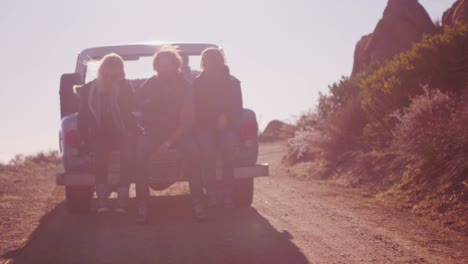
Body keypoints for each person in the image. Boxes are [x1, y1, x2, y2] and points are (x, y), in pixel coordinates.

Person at [134, 46, 206, 223]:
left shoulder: (186, 87)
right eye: (159, 66)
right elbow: (133, 105)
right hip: (153, 133)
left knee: (194, 154)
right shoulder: (149, 84)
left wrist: (168, 143)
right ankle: (142, 205)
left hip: (179, 134)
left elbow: (187, 122)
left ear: (176, 66)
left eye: (166, 66)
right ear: (155, 66)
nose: (162, 69)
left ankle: (198, 202)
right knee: (140, 155)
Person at [74, 53, 142, 213]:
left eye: (117, 71)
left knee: (127, 155)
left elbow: (130, 107)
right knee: (100, 156)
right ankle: (102, 200)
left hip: (122, 131)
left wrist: (122, 83)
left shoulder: (124, 86)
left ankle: (122, 199)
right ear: (102, 70)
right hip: (99, 133)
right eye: (108, 71)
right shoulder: (89, 89)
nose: (112, 75)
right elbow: (82, 116)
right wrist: (82, 141)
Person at [193, 48, 243, 210]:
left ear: (220, 62)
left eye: (214, 61)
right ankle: (212, 193)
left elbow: (238, 108)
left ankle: (228, 194)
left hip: (226, 127)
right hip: (204, 127)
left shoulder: (232, 82)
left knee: (229, 150)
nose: (210, 65)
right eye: (207, 61)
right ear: (203, 63)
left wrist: (226, 116)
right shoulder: (196, 83)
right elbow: (192, 109)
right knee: (207, 150)